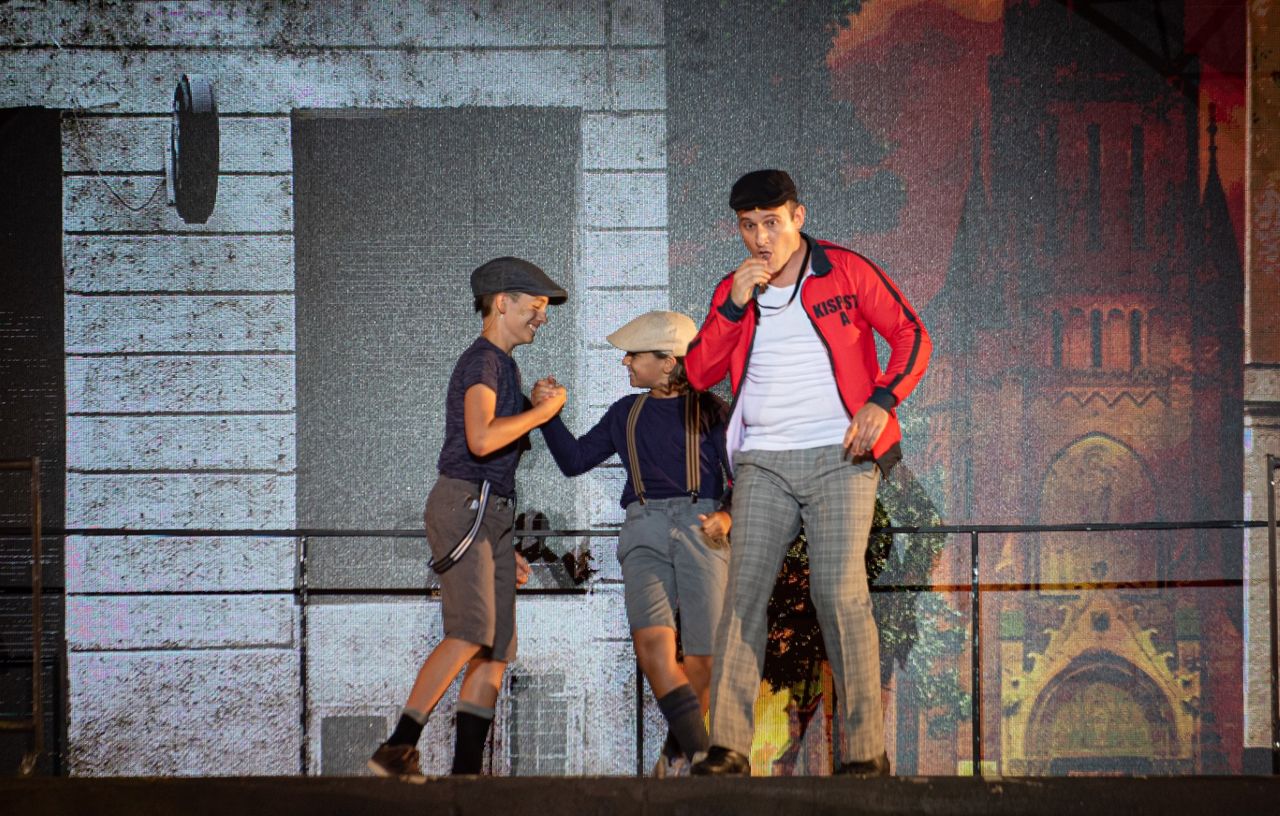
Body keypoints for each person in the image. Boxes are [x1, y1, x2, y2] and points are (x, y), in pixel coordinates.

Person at [684, 170, 931, 777]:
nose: (760, 237)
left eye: (772, 222)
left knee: (838, 594)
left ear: (798, 216)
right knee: (743, 596)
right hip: (762, 462)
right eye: (749, 226)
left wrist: (882, 399)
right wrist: (733, 306)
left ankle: (865, 752)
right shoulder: (733, 290)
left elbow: (911, 333)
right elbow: (698, 372)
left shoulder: (844, 270)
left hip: (841, 456)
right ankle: (728, 747)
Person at [367, 257, 569, 780]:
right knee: (471, 631)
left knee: (495, 648)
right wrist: (541, 414)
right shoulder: (482, 361)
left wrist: (530, 403)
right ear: (502, 302)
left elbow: (495, 441)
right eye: (535, 306)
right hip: (467, 505)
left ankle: (465, 778)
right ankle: (397, 747)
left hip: (490, 513)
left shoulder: (503, 367)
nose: (542, 316)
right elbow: (480, 439)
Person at [531, 311, 733, 777]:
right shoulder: (625, 412)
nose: (625, 361)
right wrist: (547, 415)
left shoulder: (713, 410)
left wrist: (727, 513)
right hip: (643, 526)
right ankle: (703, 756)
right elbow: (575, 460)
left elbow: (742, 475)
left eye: (634, 355)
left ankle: (676, 754)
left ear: (667, 362)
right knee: (651, 646)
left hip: (703, 526)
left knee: (704, 657)